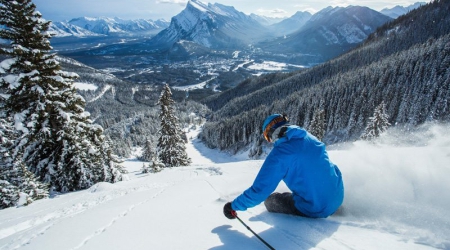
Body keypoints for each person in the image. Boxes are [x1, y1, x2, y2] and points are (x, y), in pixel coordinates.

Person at [223, 114, 344, 219]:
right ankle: (330, 204)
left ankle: (318, 206)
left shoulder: (280, 154)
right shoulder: (310, 137)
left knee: (270, 200)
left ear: (270, 133)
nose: (269, 140)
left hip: (315, 208)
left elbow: (259, 191)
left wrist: (233, 206)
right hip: (338, 195)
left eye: (267, 137)